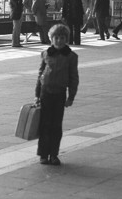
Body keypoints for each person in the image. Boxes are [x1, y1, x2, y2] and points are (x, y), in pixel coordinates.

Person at [34, 24, 79, 166]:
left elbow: (74, 78)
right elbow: (40, 74)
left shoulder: (71, 56)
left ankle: (53, 154)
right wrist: (37, 94)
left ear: (66, 39)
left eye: (62, 38)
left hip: (59, 94)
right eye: (56, 38)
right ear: (51, 39)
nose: (59, 41)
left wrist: (71, 97)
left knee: (56, 125)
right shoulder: (46, 53)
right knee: (44, 125)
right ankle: (43, 154)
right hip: (45, 93)